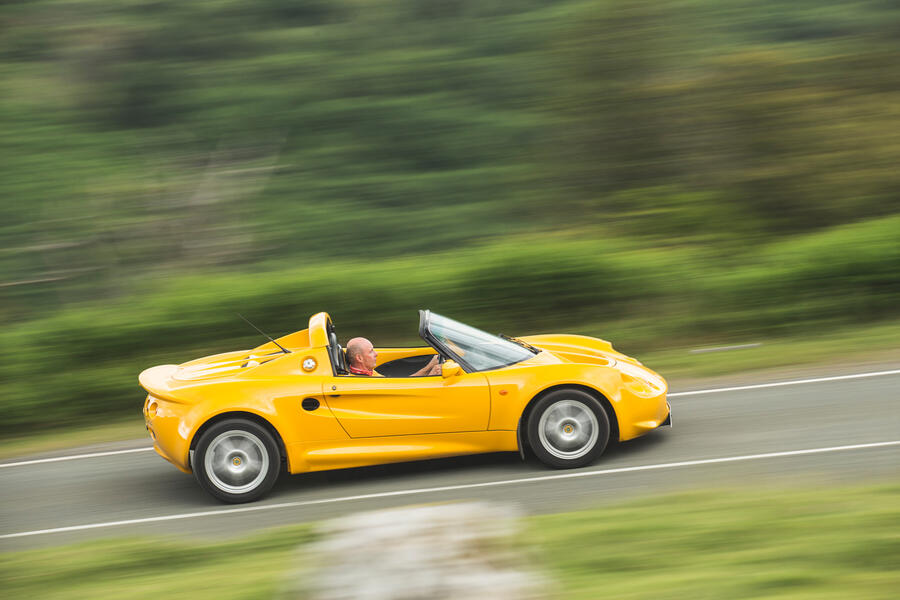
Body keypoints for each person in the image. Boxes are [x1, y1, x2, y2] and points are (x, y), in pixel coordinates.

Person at [345, 337, 441, 377]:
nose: (376, 354)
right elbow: (404, 392)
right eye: (371, 351)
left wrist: (429, 367)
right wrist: (431, 375)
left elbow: (404, 384)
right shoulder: (365, 381)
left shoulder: (368, 372)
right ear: (359, 358)